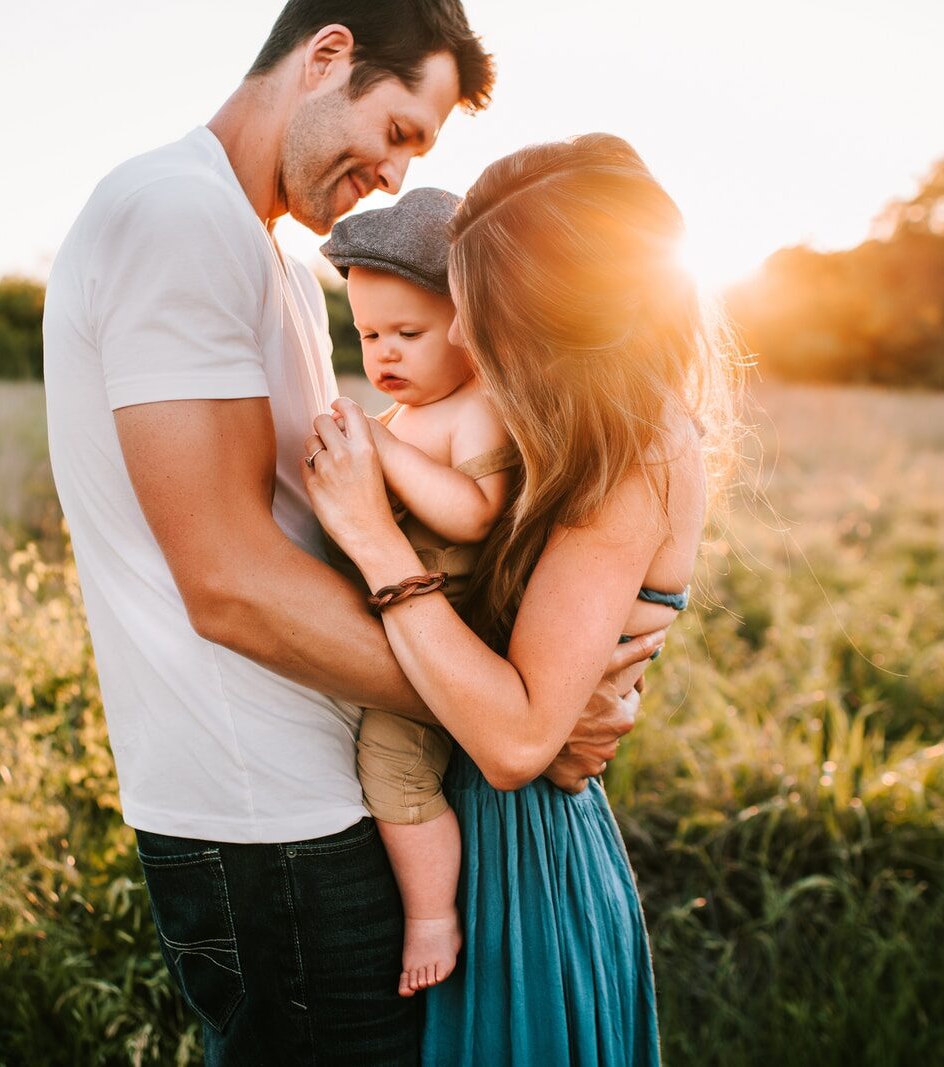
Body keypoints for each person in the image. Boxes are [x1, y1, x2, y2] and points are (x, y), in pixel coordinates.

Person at [41, 3, 664, 1063]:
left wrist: (537, 683)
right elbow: (229, 581)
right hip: (268, 817)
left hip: (334, 794)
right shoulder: (173, 215)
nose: (393, 174)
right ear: (327, 57)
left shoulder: (274, 261)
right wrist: (519, 719)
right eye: (399, 132)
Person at [301, 133, 738, 1065]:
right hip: (472, 830)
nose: (462, 335)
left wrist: (375, 540)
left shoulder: (635, 450)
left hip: (522, 861)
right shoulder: (560, 423)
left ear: (565, 315)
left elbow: (515, 741)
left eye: (483, 309)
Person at [317, 187, 518, 997]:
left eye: (408, 333)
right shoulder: (408, 412)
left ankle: (432, 913)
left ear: (469, 327)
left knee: (392, 768)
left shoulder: (477, 409)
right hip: (397, 626)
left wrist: (381, 451)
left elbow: (474, 514)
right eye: (369, 335)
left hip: (447, 643)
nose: (385, 355)